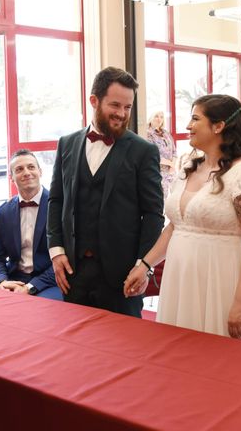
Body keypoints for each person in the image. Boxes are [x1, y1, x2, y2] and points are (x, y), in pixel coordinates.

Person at [124, 94, 241, 344]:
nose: (187, 126)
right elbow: (177, 226)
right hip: (182, 279)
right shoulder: (188, 168)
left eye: (195, 119)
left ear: (218, 126)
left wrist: (240, 302)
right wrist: (145, 265)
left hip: (222, 280)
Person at [47, 66, 164, 317]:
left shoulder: (143, 151)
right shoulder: (66, 144)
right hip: (73, 273)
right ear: (94, 101)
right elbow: (56, 200)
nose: (122, 114)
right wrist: (56, 252)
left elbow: (154, 214)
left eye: (128, 107)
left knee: (125, 350)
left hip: (122, 277)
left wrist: (143, 266)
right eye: (115, 105)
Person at [0, 150, 61, 300]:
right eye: (19, 169)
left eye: (31, 167)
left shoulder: (60, 206)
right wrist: (1, 282)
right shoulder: (2, 212)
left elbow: (66, 257)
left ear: (40, 171)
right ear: (11, 178)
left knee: (41, 311)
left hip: (49, 281)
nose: (26, 173)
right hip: (13, 278)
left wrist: (31, 287)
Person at [146, 110, 177, 199]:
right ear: (151, 117)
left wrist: (172, 166)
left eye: (161, 117)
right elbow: (152, 156)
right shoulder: (148, 134)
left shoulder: (166, 133)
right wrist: (170, 164)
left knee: (173, 200)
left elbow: (174, 151)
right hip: (157, 172)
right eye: (156, 116)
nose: (159, 119)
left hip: (171, 172)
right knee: (160, 200)